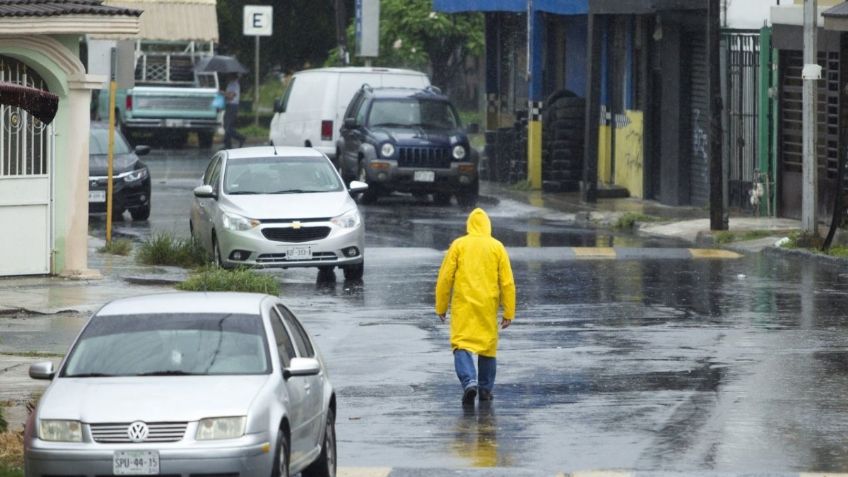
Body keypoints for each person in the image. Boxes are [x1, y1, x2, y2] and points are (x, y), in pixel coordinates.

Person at [435, 208, 516, 406]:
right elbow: (507, 282)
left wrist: (441, 306)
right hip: (487, 306)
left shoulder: (459, 245)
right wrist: (508, 311)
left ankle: (469, 380)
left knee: (461, 343)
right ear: (488, 226)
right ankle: (485, 389)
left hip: (464, 306)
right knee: (487, 347)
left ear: (469, 225)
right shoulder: (497, 247)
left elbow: (445, 278)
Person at [222, 73, 245, 149]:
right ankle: (227, 144)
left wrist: (222, 93)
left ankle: (240, 138)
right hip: (229, 106)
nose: (227, 76)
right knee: (226, 125)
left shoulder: (235, 85)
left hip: (233, 106)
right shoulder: (230, 84)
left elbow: (231, 96)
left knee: (228, 127)